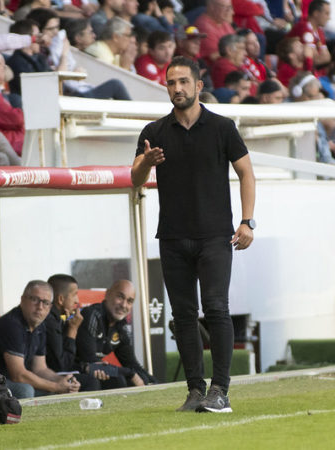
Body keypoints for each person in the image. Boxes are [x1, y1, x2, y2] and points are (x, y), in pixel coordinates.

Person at [131, 56, 256, 413]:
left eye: (184, 82)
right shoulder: (153, 132)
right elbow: (135, 179)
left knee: (216, 309)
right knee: (183, 315)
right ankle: (195, 391)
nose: (177, 89)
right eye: (171, 83)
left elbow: (246, 173)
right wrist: (146, 162)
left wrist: (248, 221)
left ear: (199, 85)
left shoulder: (222, 127)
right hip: (172, 236)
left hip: (216, 236)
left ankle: (221, 390)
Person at [0, 280, 81, 399]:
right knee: (25, 390)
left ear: (50, 307)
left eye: (45, 302)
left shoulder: (40, 326)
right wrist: (56, 387)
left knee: (49, 389)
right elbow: (18, 375)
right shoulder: (11, 324)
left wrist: (63, 381)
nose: (40, 307)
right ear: (22, 299)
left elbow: (40, 369)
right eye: (34, 300)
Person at [75, 280, 155, 389]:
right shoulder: (92, 315)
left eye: (130, 301)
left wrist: (156, 385)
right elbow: (90, 361)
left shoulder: (121, 327)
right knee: (118, 380)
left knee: (141, 377)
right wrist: (129, 373)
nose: (124, 305)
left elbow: (132, 364)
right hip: (73, 370)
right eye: (120, 297)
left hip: (93, 371)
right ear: (107, 294)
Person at [44, 274, 106, 391]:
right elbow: (63, 366)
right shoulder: (50, 321)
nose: (77, 301)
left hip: (55, 372)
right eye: (74, 295)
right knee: (91, 382)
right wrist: (72, 329)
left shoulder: (59, 319)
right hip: (46, 376)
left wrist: (86, 367)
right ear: (61, 299)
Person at [287, 0, 330, 78]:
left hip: (311, 72)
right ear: (316, 13)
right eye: (326, 14)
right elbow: (311, 58)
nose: (329, 18)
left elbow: (327, 58)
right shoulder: (303, 27)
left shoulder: (319, 31)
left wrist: (317, 57)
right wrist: (318, 57)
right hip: (294, 74)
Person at [194, 0, 235, 67]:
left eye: (230, 7)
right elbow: (215, 57)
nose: (232, 11)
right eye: (226, 7)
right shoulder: (204, 27)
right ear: (212, 6)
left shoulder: (223, 21)